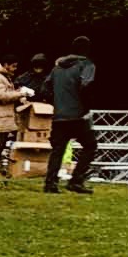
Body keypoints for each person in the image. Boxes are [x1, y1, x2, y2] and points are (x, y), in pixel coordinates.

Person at [46, 35, 98, 194]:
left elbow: (45, 88)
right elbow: (86, 86)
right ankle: (76, 180)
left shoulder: (57, 68)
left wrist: (56, 103)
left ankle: (50, 183)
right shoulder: (87, 65)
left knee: (57, 150)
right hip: (77, 115)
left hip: (59, 115)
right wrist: (86, 108)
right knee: (90, 145)